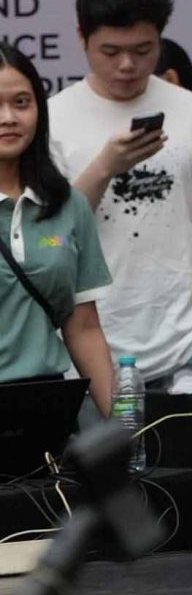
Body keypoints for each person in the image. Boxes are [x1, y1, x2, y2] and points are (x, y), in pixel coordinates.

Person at [49, 0, 192, 384]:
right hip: (85, 345)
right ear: (82, 38)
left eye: (143, 51)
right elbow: (50, 236)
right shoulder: (53, 119)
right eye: (110, 51)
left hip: (186, 340)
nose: (127, 65)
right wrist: (104, 168)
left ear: (160, 39)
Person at [0, 41, 119, 413]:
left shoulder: (68, 204)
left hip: (47, 406)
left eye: (22, 102)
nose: (8, 117)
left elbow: (83, 327)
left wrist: (124, 428)